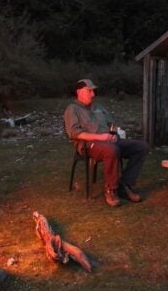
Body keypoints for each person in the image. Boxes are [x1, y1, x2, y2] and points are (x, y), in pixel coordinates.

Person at [63, 79, 148, 207]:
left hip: (108, 140)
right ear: (79, 92)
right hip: (88, 145)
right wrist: (100, 137)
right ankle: (111, 189)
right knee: (111, 150)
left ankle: (124, 184)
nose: (93, 94)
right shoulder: (73, 109)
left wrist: (113, 133)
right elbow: (74, 133)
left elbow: (112, 124)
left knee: (141, 147)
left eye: (93, 91)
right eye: (89, 91)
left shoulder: (98, 107)